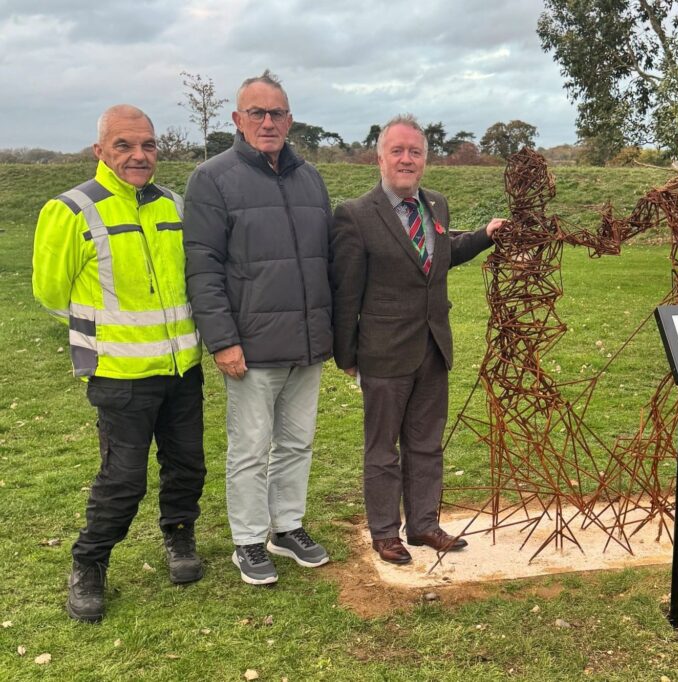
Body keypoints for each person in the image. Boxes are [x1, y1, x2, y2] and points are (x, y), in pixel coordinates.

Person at [32, 105, 206, 622]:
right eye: (124, 145)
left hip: (181, 371)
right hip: (119, 376)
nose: (138, 155)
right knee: (122, 479)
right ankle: (89, 563)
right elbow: (50, 291)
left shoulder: (174, 205)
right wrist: (107, 335)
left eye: (148, 145)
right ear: (100, 151)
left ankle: (179, 537)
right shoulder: (70, 210)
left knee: (187, 466)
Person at [330, 115, 505, 565]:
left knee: (426, 443)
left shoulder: (437, 206)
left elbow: (441, 257)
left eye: (415, 152)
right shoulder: (355, 215)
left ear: (425, 159)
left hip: (433, 347)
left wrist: (485, 235)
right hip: (383, 352)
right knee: (383, 448)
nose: (407, 159)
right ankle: (385, 532)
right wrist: (347, 356)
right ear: (380, 157)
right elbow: (346, 291)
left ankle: (424, 524)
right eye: (398, 151)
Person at [183, 70, 333, 585]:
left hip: (307, 343)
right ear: (237, 119)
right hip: (250, 346)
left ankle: (285, 527)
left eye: (277, 113)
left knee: (297, 442)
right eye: (257, 113)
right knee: (250, 448)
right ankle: (248, 539)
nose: (268, 122)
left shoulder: (310, 177)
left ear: (290, 119)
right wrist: (222, 340)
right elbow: (202, 266)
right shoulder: (213, 178)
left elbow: (323, 259)